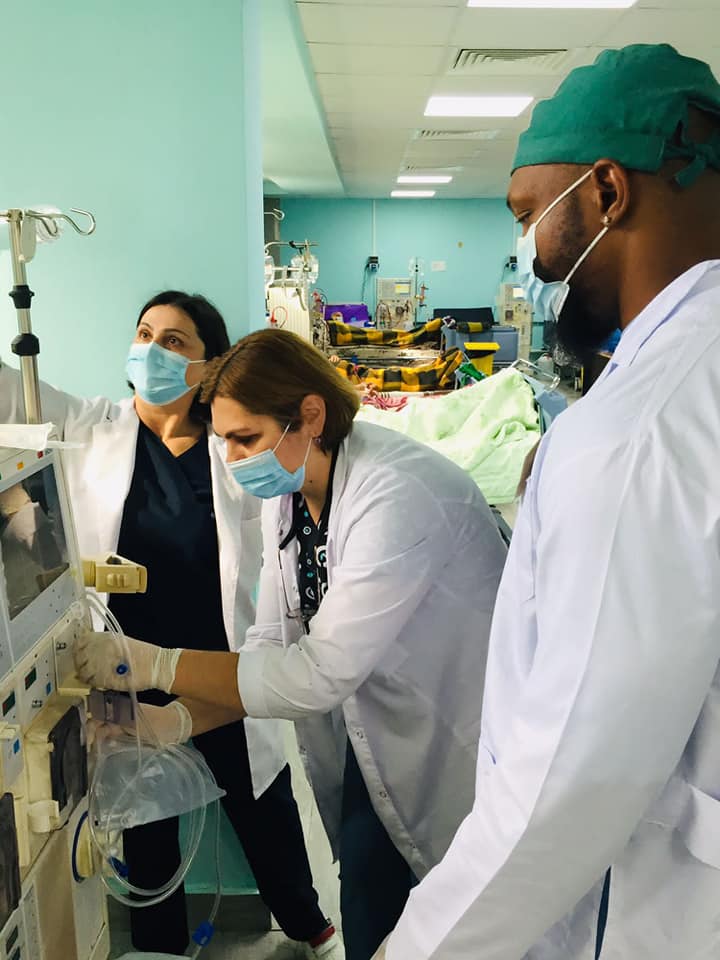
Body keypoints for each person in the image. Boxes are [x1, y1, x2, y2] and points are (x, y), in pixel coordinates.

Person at [366, 43, 720, 960]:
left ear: (607, 191)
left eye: (528, 215)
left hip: (658, 905)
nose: (527, 253)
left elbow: (572, 772)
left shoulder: (641, 432)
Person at [74, 327, 508, 960]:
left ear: (310, 415)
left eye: (245, 438)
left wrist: (153, 665)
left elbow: (317, 674)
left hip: (451, 738)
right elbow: (270, 644)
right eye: (223, 439)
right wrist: (176, 721)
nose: (230, 458)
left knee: (456, 926)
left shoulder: (397, 493)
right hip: (374, 739)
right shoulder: (296, 496)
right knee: (372, 913)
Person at [0, 292, 340, 958]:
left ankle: (310, 926)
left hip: (216, 664)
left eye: (174, 341)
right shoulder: (94, 426)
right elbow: (11, 392)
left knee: (262, 806)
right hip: (120, 665)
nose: (151, 350)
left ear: (208, 365)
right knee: (145, 823)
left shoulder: (234, 448)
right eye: (144, 334)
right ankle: (162, 948)